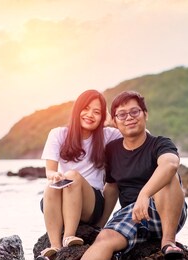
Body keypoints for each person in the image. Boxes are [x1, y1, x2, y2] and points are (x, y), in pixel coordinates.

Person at [81, 91, 188, 260]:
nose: (129, 118)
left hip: (165, 210)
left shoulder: (160, 143)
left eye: (134, 112)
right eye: (122, 115)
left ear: (145, 115)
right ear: (115, 121)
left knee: (169, 177)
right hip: (132, 214)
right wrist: (100, 226)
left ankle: (168, 242)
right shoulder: (112, 149)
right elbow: (112, 187)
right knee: (104, 239)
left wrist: (144, 194)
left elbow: (171, 164)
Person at [37, 89, 121, 259]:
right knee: (52, 185)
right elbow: (50, 170)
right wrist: (54, 176)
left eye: (97, 112)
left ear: (102, 117)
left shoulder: (108, 135)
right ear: (77, 110)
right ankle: (55, 245)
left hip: (91, 204)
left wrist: (112, 121)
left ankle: (69, 235)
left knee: (72, 175)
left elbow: (141, 135)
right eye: (86, 108)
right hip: (61, 200)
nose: (90, 115)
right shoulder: (58, 134)